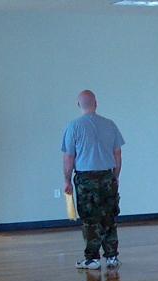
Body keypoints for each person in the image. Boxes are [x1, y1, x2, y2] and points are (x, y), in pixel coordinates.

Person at [62, 90, 125, 270]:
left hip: (85, 179)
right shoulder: (110, 125)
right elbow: (117, 154)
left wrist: (67, 180)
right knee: (109, 217)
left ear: (78, 105)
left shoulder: (73, 127)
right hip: (107, 177)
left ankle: (92, 259)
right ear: (96, 103)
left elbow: (69, 157)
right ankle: (112, 257)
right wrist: (115, 176)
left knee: (90, 219)